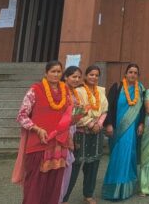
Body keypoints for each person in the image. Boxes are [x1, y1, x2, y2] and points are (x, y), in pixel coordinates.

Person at [13, 60, 73, 204]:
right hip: (39, 144)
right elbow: (21, 115)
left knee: (54, 184)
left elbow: (69, 114)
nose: (56, 74)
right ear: (46, 73)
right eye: (53, 71)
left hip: (59, 145)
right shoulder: (35, 90)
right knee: (35, 183)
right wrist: (37, 129)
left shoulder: (66, 91)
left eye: (59, 71)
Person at [62, 65, 108, 204]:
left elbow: (105, 110)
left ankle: (88, 195)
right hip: (81, 132)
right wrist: (90, 123)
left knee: (93, 165)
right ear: (86, 76)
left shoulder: (101, 91)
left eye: (96, 75)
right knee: (75, 166)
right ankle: (64, 198)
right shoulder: (78, 91)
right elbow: (77, 112)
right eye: (91, 74)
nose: (94, 77)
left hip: (97, 133)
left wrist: (99, 124)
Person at [102, 64, 145, 201]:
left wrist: (141, 123)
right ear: (125, 74)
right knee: (117, 155)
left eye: (135, 73)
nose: (133, 75)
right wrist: (109, 124)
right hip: (117, 129)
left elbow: (143, 109)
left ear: (138, 75)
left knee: (129, 155)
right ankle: (113, 189)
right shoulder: (117, 87)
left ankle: (126, 188)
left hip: (132, 129)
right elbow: (108, 107)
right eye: (130, 72)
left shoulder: (141, 89)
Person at [60, 66, 84, 204]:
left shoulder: (74, 92)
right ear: (65, 77)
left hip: (72, 129)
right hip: (61, 132)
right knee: (62, 166)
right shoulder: (61, 91)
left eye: (78, 77)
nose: (76, 79)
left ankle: (62, 198)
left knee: (68, 167)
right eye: (73, 76)